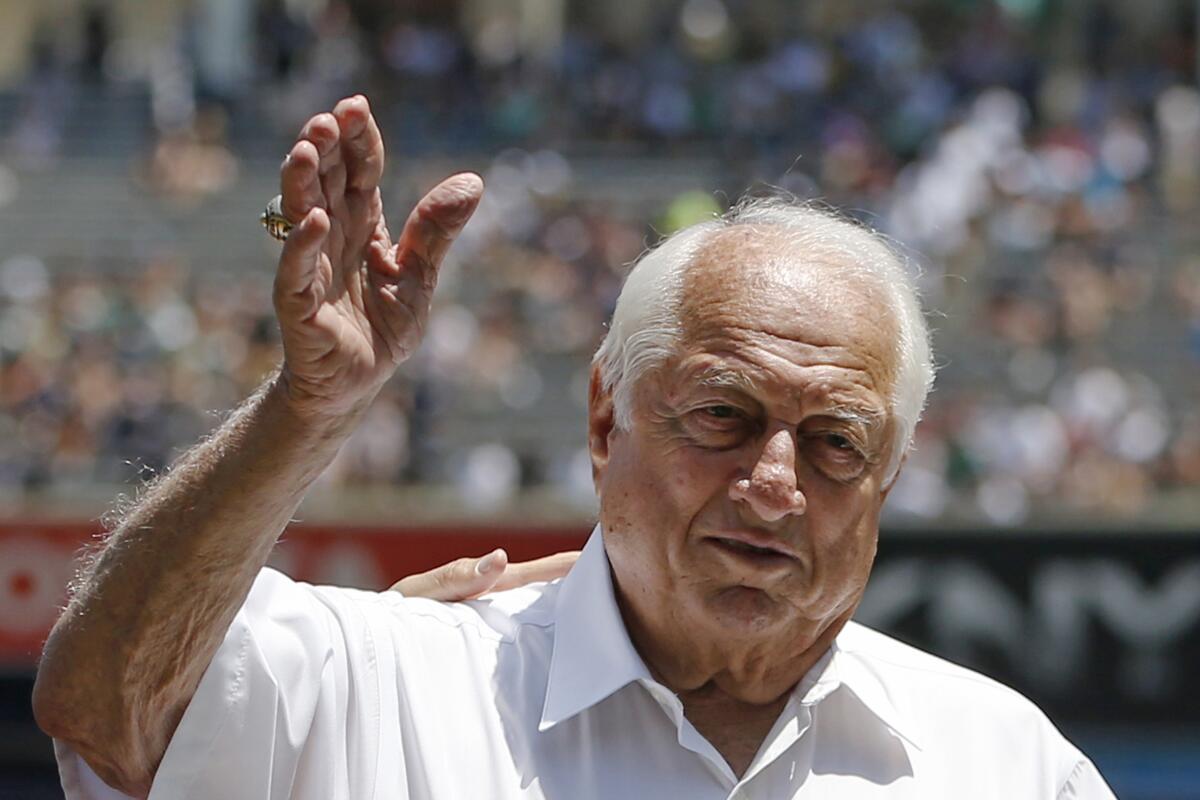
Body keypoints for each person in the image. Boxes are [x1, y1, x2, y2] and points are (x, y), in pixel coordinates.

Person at [33, 95, 1116, 799]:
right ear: (606, 419)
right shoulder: (394, 677)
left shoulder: (1004, 760)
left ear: (889, 475)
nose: (776, 482)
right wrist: (305, 412)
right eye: (724, 416)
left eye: (837, 442)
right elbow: (100, 704)